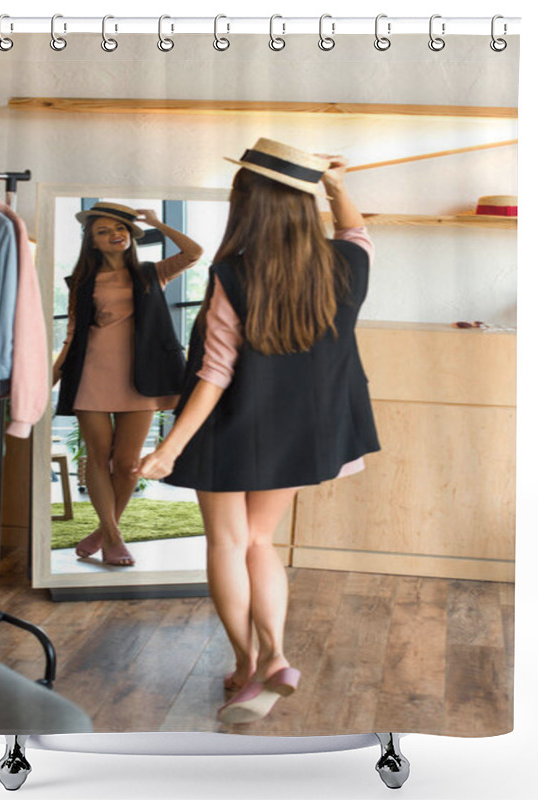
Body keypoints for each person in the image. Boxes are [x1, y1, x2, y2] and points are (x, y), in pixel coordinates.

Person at [136, 139, 380, 723]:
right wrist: (338, 187)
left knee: (226, 543)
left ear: (247, 203)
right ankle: (276, 653)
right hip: (303, 434)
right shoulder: (347, 265)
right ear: (303, 204)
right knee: (260, 542)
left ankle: (249, 665)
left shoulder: (234, 275)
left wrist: (169, 449)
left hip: (230, 430)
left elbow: (215, 373)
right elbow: (357, 233)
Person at [53, 202, 203, 567]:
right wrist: (51, 377)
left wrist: (155, 222)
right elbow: (72, 335)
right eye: (102, 232)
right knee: (98, 456)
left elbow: (194, 253)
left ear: (130, 235)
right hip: (92, 375)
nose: (113, 235)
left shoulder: (152, 273)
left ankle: (104, 531)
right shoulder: (83, 284)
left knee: (127, 463)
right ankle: (115, 537)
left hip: (142, 379)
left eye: (118, 228)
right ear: (92, 243)